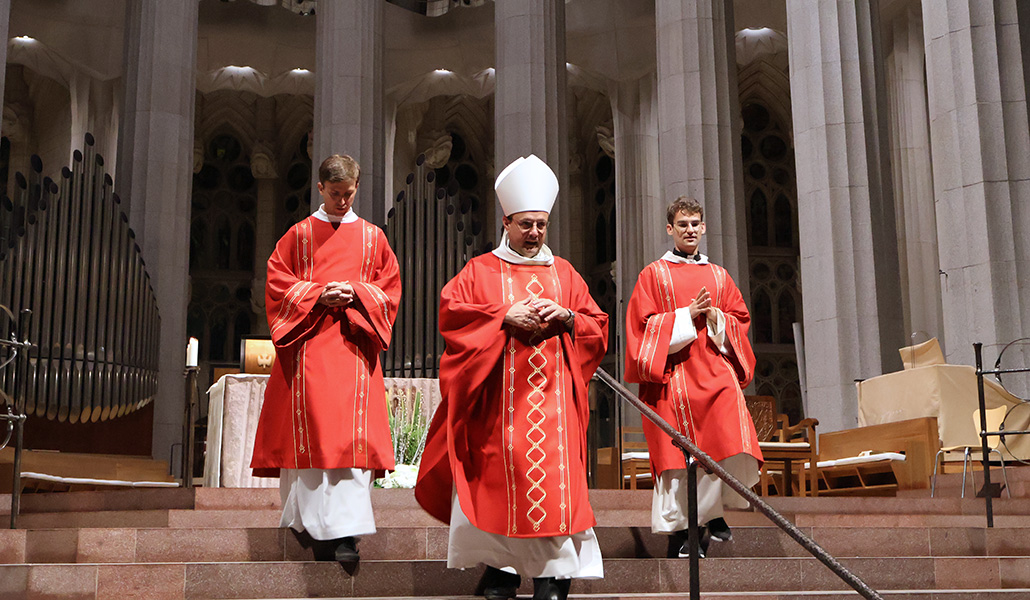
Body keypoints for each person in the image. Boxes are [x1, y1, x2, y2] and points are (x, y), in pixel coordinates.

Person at [415, 155, 609, 600]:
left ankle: (554, 574)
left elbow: (596, 324)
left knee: (555, 484)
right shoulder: (480, 270)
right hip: (499, 407)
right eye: (526, 225)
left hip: (555, 406)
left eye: (541, 224)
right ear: (506, 221)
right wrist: (502, 316)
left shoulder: (565, 273)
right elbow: (452, 316)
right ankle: (500, 568)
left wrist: (569, 317)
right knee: (501, 480)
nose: (535, 234)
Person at [251, 154, 401, 563]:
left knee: (353, 441)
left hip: (354, 349)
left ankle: (347, 532)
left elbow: (388, 289)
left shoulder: (373, 238)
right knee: (315, 435)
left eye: (348, 194)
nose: (342, 201)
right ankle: (313, 525)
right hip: (310, 348)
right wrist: (317, 294)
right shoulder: (298, 236)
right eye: (335, 194)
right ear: (320, 189)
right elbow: (278, 285)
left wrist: (355, 293)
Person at [624, 197, 761, 558]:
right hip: (672, 374)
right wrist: (685, 315)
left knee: (729, 426)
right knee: (678, 456)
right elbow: (641, 328)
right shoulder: (653, 274)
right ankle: (685, 532)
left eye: (695, 224)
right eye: (682, 224)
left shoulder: (719, 276)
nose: (689, 230)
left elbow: (739, 320)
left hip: (712, 368)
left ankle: (713, 513)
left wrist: (715, 318)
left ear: (703, 228)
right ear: (670, 229)